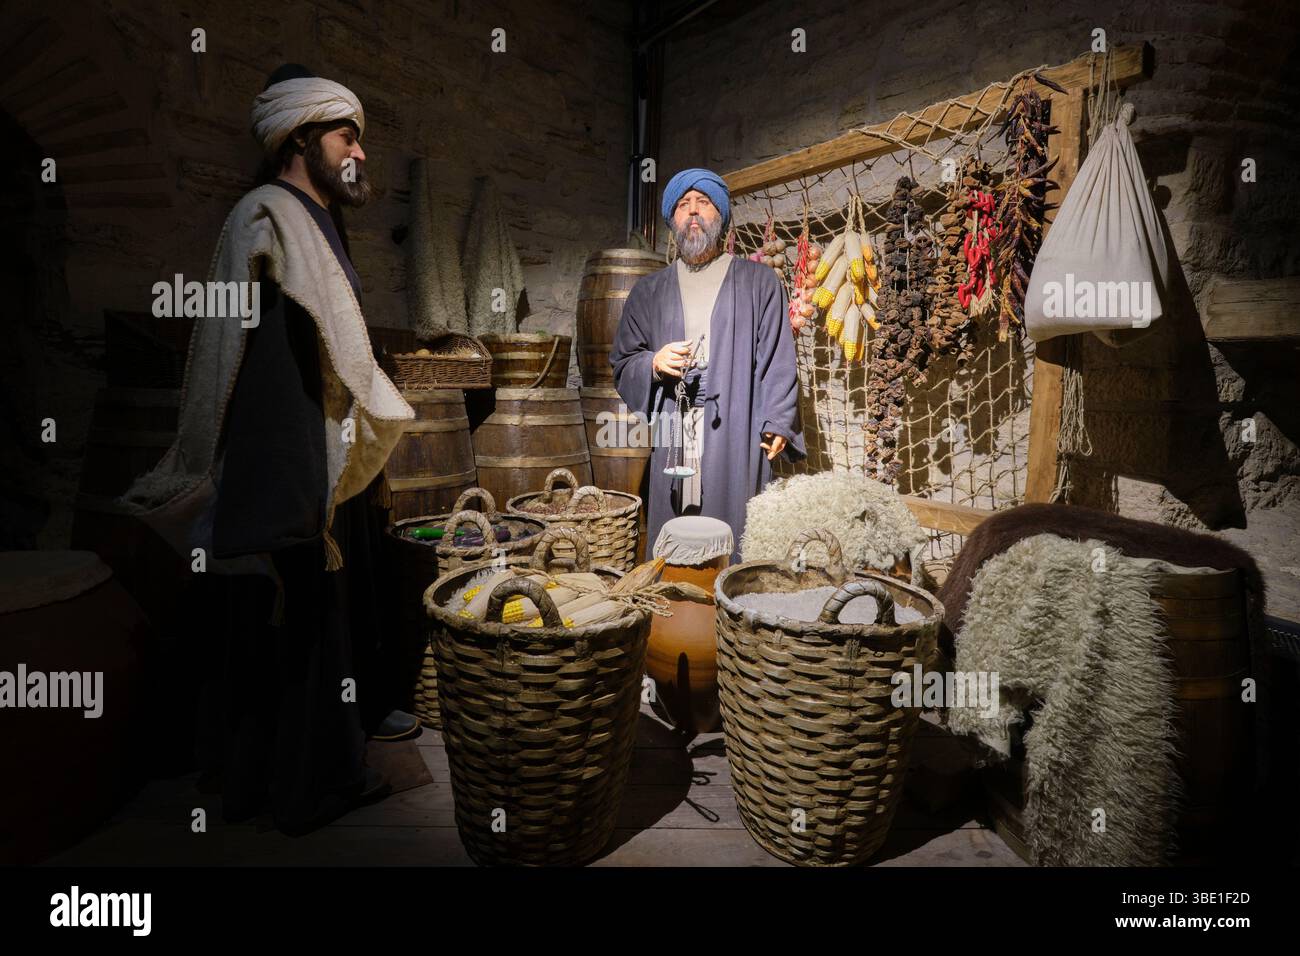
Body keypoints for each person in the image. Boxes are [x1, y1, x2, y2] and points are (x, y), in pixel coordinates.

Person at [125, 65, 418, 835]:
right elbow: (224, 343)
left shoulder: (319, 220)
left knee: (311, 627)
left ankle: (281, 782)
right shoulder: (265, 212)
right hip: (282, 452)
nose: (359, 153)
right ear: (299, 135)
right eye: (346, 135)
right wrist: (219, 459)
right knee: (292, 629)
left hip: (316, 453)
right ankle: (303, 792)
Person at [611, 167, 806, 562]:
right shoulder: (648, 292)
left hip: (737, 420)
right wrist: (653, 362)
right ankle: (672, 608)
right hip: (674, 420)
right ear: (673, 221)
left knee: (734, 522)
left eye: (704, 203)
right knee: (675, 533)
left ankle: (730, 609)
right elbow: (623, 360)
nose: (694, 212)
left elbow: (778, 358)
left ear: (721, 215)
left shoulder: (759, 283)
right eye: (684, 205)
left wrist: (778, 420)